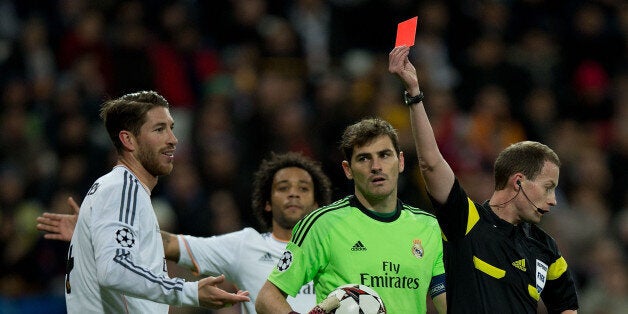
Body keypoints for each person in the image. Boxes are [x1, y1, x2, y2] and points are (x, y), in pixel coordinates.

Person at [388, 45, 579, 313]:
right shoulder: (467, 221)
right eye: (548, 188)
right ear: (519, 181)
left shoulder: (546, 248)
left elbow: (567, 308)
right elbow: (430, 163)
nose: (554, 201)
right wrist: (415, 95)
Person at [37, 152, 333, 313]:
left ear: (318, 203)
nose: (293, 194)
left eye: (303, 189)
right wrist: (101, 228)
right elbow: (168, 244)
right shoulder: (247, 245)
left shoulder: (339, 247)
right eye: (283, 188)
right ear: (267, 203)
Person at [60, 90, 249, 313]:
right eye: (159, 129)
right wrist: (187, 291)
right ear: (128, 139)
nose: (173, 139)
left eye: (171, 128)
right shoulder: (123, 188)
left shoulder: (115, 188)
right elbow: (114, 268)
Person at [255, 118, 447, 313]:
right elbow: (267, 297)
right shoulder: (322, 224)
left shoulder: (429, 227)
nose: (376, 166)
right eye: (364, 158)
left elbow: (448, 303)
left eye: (385, 155)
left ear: (401, 162)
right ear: (348, 170)